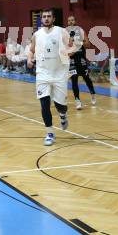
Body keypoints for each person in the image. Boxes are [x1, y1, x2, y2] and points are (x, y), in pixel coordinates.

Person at [27, 9, 73, 146]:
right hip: (43, 74)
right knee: (44, 104)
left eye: (49, 16)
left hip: (59, 73)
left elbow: (72, 46)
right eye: (44, 17)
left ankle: (63, 115)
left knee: (60, 105)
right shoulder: (36, 34)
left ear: (53, 19)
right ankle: (49, 133)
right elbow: (31, 49)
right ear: (41, 19)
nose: (46, 18)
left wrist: (67, 52)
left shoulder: (61, 31)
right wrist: (29, 59)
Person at [66, 15, 96, 109]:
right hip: (71, 59)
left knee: (86, 78)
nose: (71, 22)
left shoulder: (81, 30)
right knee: (74, 79)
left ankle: (93, 93)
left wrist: (80, 42)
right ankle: (77, 100)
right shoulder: (65, 32)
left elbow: (88, 45)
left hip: (81, 58)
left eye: (72, 20)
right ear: (67, 22)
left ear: (75, 21)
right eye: (69, 20)